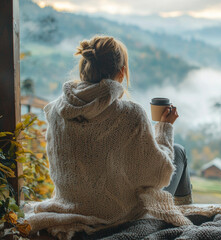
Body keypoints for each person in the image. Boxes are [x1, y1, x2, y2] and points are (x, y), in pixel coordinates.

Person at [25, 36, 203, 239]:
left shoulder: (56, 110)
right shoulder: (131, 114)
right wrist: (164, 128)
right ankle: (179, 214)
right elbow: (159, 176)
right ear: (121, 72)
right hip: (117, 215)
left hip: (69, 206)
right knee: (177, 151)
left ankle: (178, 213)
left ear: (84, 68)